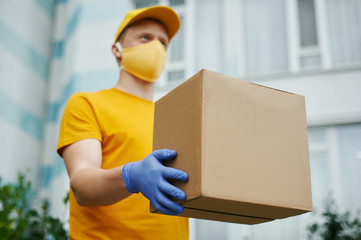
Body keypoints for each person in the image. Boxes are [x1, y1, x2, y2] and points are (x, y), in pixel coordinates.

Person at [57, 5, 189, 239]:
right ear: (117, 50)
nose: (156, 48)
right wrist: (131, 176)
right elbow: (82, 183)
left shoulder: (175, 118)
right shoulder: (88, 103)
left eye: (163, 43)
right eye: (145, 38)